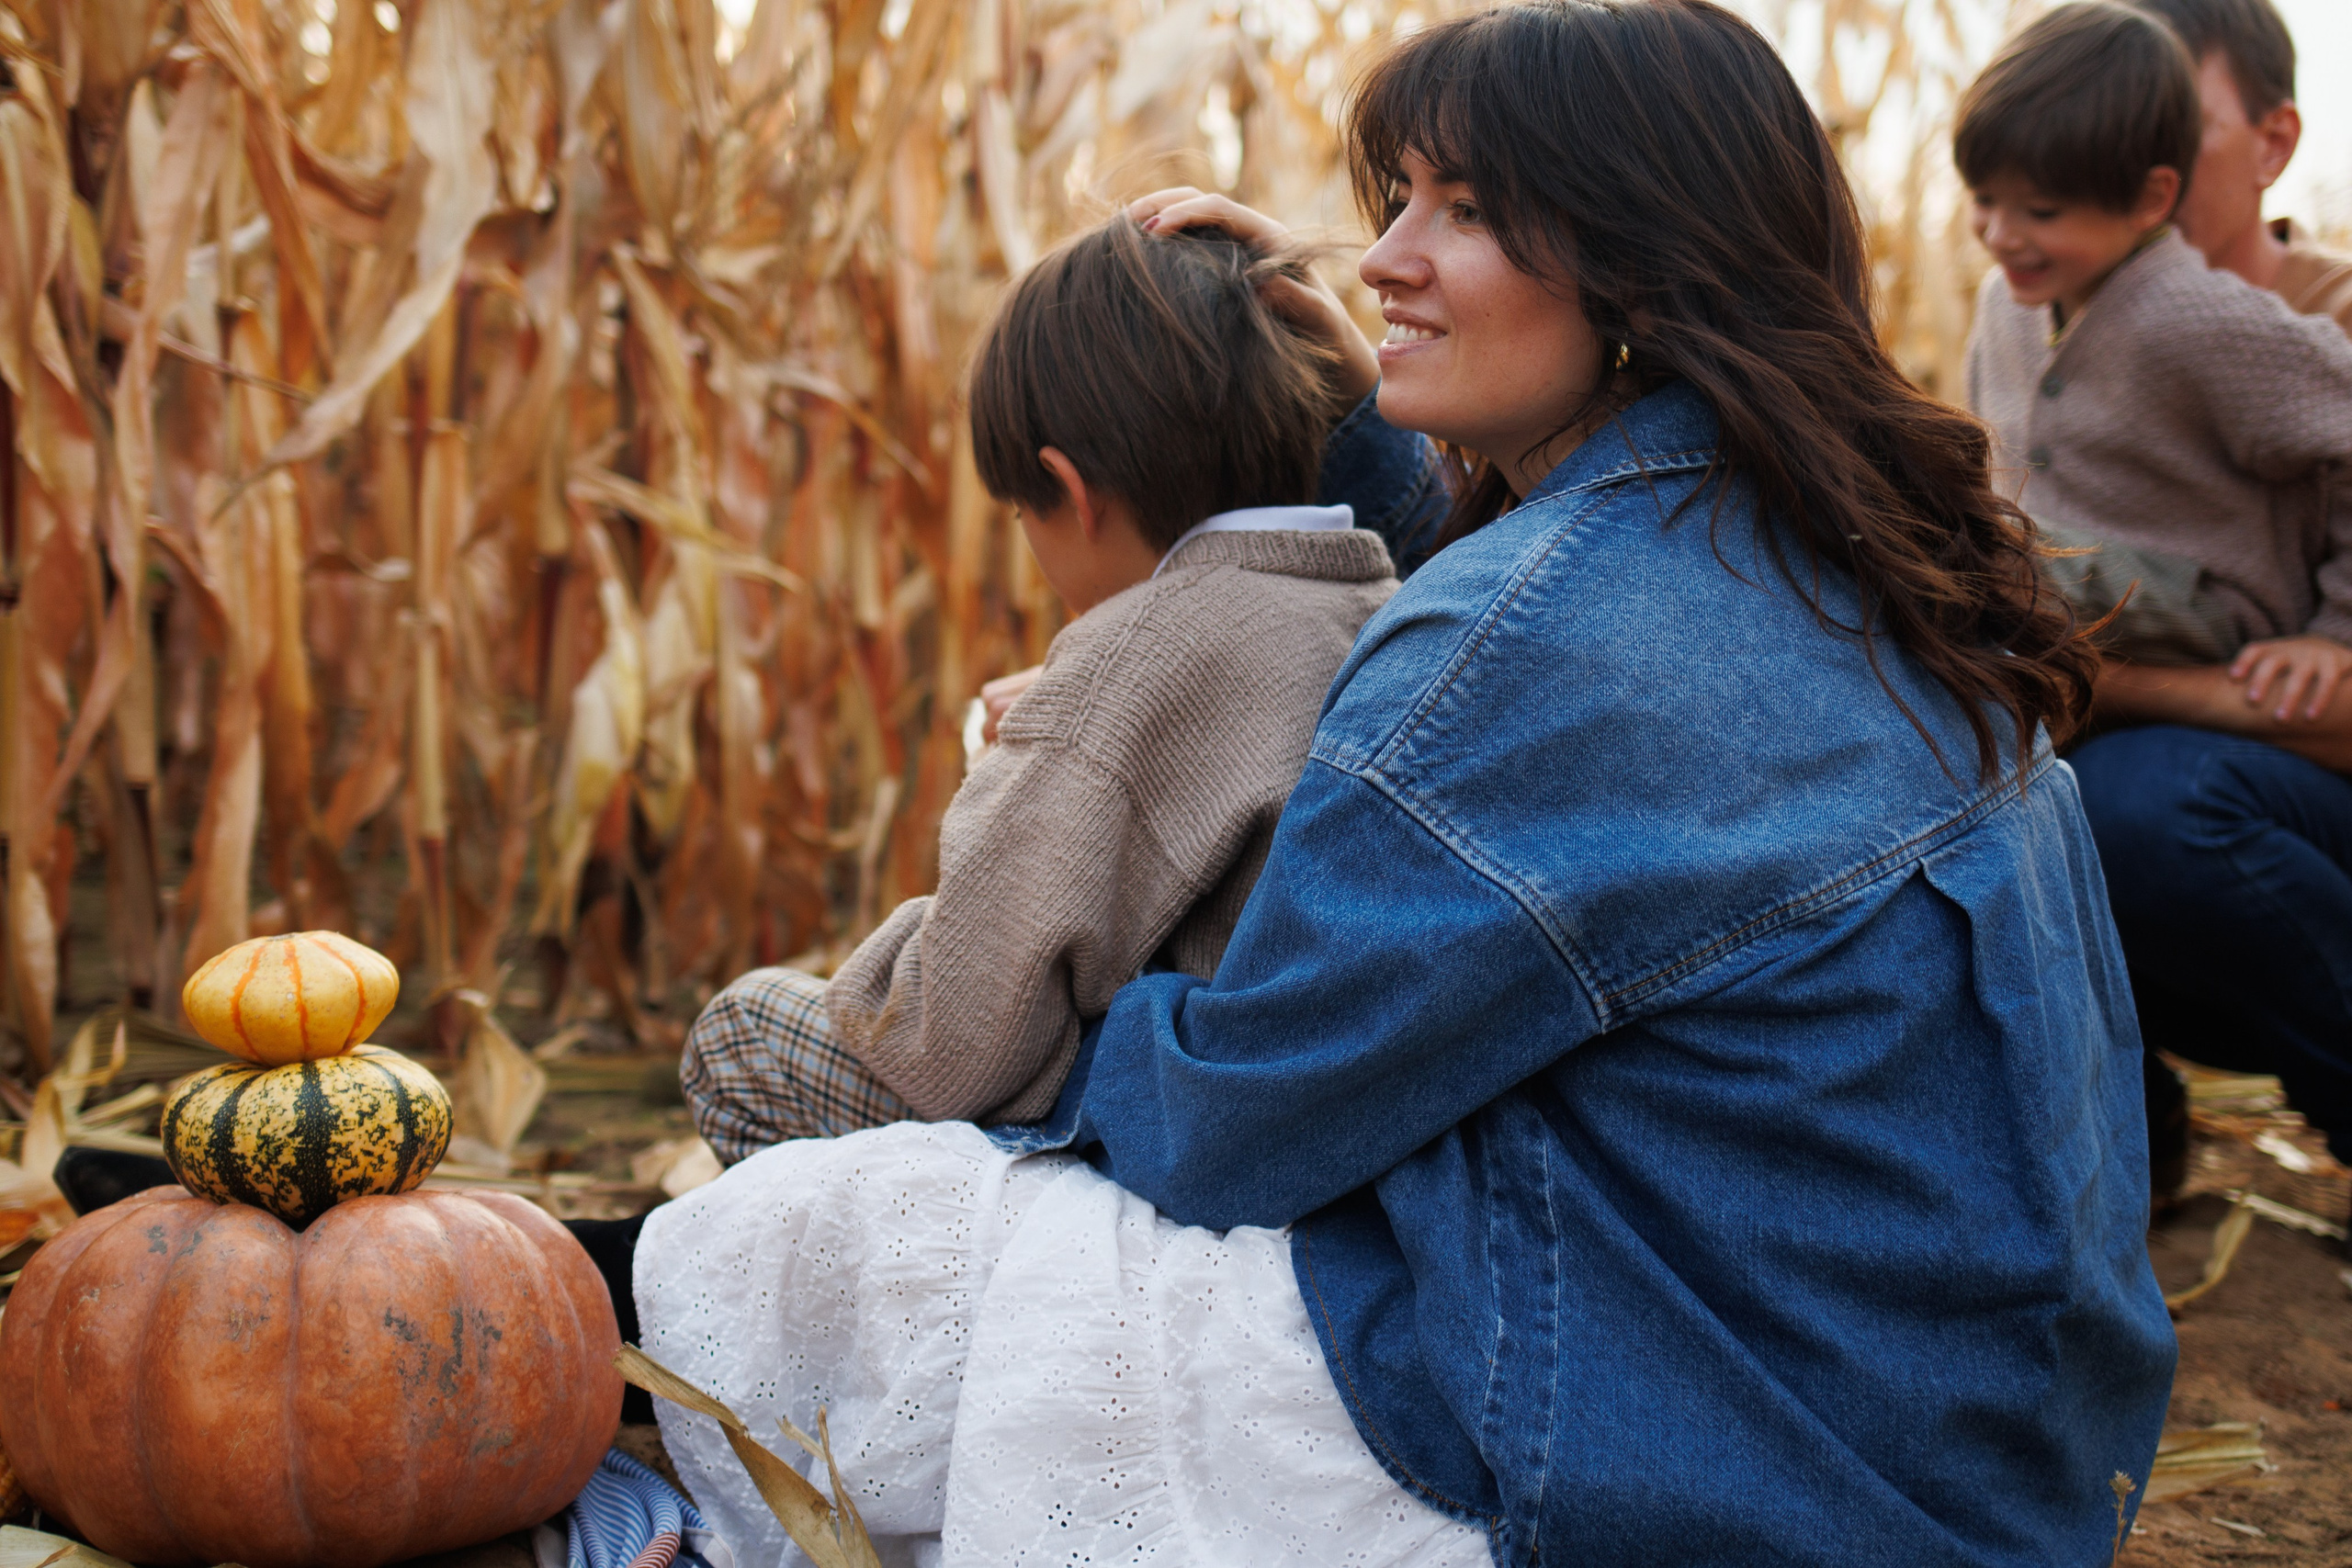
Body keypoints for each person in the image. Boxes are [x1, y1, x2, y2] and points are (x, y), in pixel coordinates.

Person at [634, 5, 2172, 1564]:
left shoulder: (1523, 645)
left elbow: (1236, 1125)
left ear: (1642, 257)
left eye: (1468, 211)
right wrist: (1317, 371)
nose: (1383, 260)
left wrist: (1048, 1019)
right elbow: (1498, 582)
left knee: (785, 1241)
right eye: (1397, 207)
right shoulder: (1834, 525)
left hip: (1736, 1446)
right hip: (1994, 1445)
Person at [675, 217, 1396, 1162]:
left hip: (1192, 1130)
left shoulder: (1134, 653)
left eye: (1022, 512)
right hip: (1305, 1096)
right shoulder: (1376, 596)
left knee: (742, 1035)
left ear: (1071, 489)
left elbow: (954, 1041)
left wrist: (1015, 763)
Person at [1960, 0, 2352, 1208]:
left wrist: (2335, 631)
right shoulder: (2014, 304)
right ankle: (2121, 1150)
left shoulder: (2228, 326)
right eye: (1992, 201)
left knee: (2137, 807)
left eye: (2045, 207)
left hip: (2221, 691)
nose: (2003, 235)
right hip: (2094, 636)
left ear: (2155, 183)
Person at [2129, 0, 2352, 333]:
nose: (2134, 165)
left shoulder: (2338, 325)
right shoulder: (2052, 313)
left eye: (2177, 129)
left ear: (2275, 144)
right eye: (2115, 132)